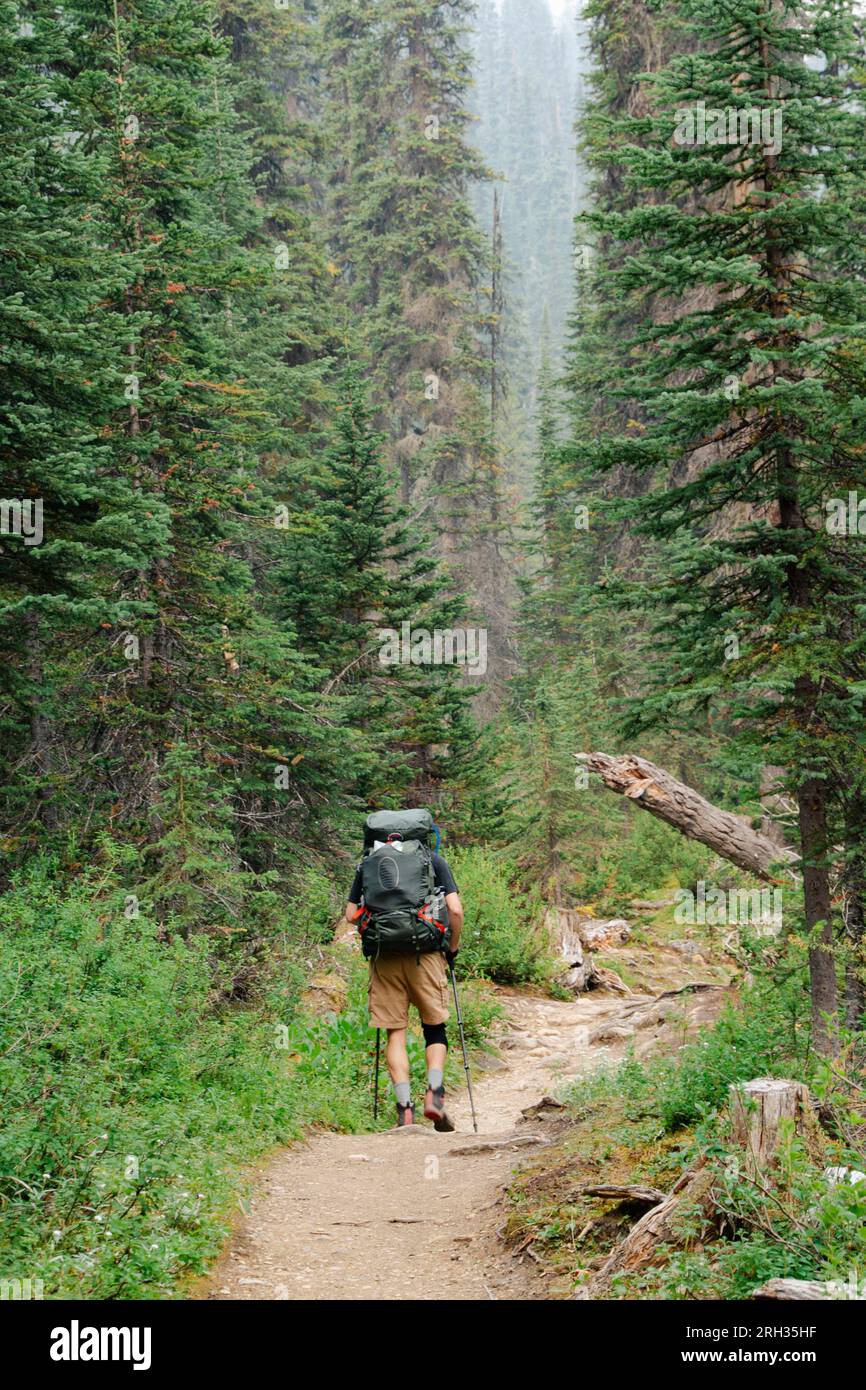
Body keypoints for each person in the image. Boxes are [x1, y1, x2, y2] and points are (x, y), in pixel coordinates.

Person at [346, 840, 464, 1129]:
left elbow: (350, 915)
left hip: (385, 958)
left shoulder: (368, 864)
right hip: (426, 956)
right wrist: (452, 948)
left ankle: (404, 1108)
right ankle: (434, 1094)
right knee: (434, 1027)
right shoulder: (432, 860)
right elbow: (456, 911)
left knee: (395, 1032)